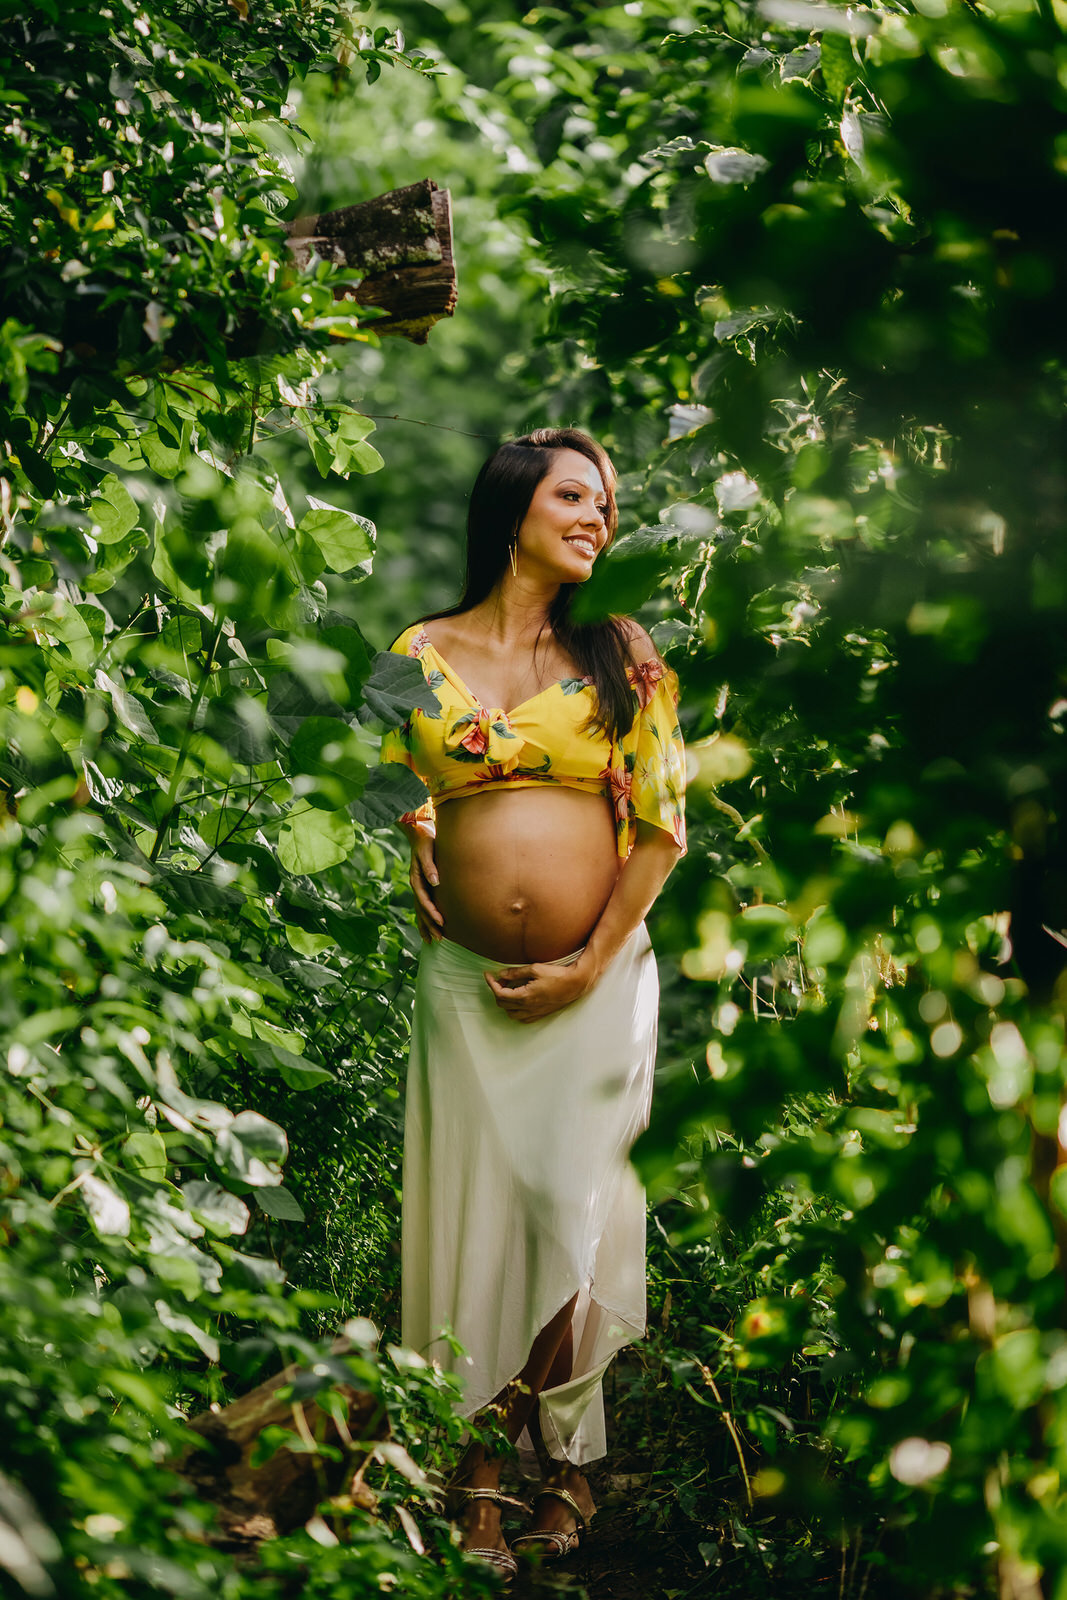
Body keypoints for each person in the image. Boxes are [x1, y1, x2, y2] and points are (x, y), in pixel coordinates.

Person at [379, 427, 686, 1577]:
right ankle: (478, 1479)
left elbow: (660, 825)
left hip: (594, 986)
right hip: (461, 987)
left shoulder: (619, 653)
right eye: (574, 495)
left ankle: (564, 1464)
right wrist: (412, 832)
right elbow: (382, 778)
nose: (598, 516)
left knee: (572, 1209)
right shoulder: (415, 650)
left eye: (606, 503)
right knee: (473, 1217)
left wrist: (591, 961)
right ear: (512, 509)